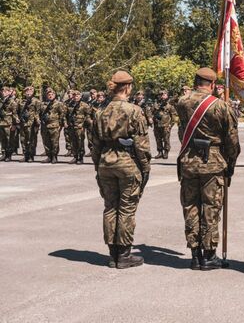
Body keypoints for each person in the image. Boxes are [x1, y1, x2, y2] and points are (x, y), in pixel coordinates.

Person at [176, 67, 240, 270]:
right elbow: (232, 140)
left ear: (196, 81)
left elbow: (181, 132)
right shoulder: (220, 106)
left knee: (191, 207)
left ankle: (195, 254)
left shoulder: (182, 102)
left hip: (189, 160)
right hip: (213, 162)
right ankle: (209, 254)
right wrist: (230, 163)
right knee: (211, 209)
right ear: (212, 85)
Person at [91, 71, 151, 269]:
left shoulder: (101, 111)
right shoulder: (133, 110)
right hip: (127, 162)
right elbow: (142, 145)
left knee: (110, 207)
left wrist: (98, 168)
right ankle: (124, 254)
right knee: (126, 208)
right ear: (127, 87)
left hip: (105, 162)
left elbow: (95, 145)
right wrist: (145, 168)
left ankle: (112, 253)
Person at [65, 90, 92, 164]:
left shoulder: (84, 105)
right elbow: (66, 115)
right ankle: (75, 156)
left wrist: (85, 126)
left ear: (80, 96)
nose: (75, 97)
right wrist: (66, 123)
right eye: (74, 96)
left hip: (80, 127)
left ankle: (80, 157)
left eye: (77, 96)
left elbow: (88, 116)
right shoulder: (69, 104)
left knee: (80, 142)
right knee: (73, 142)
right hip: (71, 126)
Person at [39, 88, 66, 164]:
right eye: (49, 95)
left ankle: (54, 157)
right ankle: (49, 156)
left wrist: (61, 125)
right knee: (46, 142)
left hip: (54, 125)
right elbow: (40, 113)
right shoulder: (44, 104)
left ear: (55, 95)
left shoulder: (59, 104)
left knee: (54, 142)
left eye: (52, 95)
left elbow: (62, 114)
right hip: (45, 126)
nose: (50, 96)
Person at [18, 86, 42, 162]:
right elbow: (18, 112)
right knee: (23, 139)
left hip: (32, 124)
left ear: (33, 92)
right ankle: (25, 155)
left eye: (30, 91)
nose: (28, 93)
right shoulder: (21, 101)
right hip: (23, 123)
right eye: (27, 91)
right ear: (24, 93)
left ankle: (31, 156)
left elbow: (39, 112)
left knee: (31, 140)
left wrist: (37, 122)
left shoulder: (36, 101)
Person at [151, 90, 177, 159]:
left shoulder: (169, 105)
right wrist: (151, 119)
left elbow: (174, 117)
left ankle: (166, 152)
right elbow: (151, 112)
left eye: (164, 94)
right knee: (158, 139)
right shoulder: (155, 104)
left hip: (166, 126)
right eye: (161, 94)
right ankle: (160, 152)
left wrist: (170, 126)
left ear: (167, 95)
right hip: (157, 125)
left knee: (166, 139)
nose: (162, 96)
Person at [0, 86, 19, 161]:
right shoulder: (1, 101)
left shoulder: (12, 102)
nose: (3, 93)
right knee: (3, 140)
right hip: (1, 123)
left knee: (9, 140)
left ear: (8, 92)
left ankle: (9, 155)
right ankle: (4, 153)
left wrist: (14, 124)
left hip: (9, 123)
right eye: (2, 91)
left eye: (5, 91)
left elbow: (15, 113)